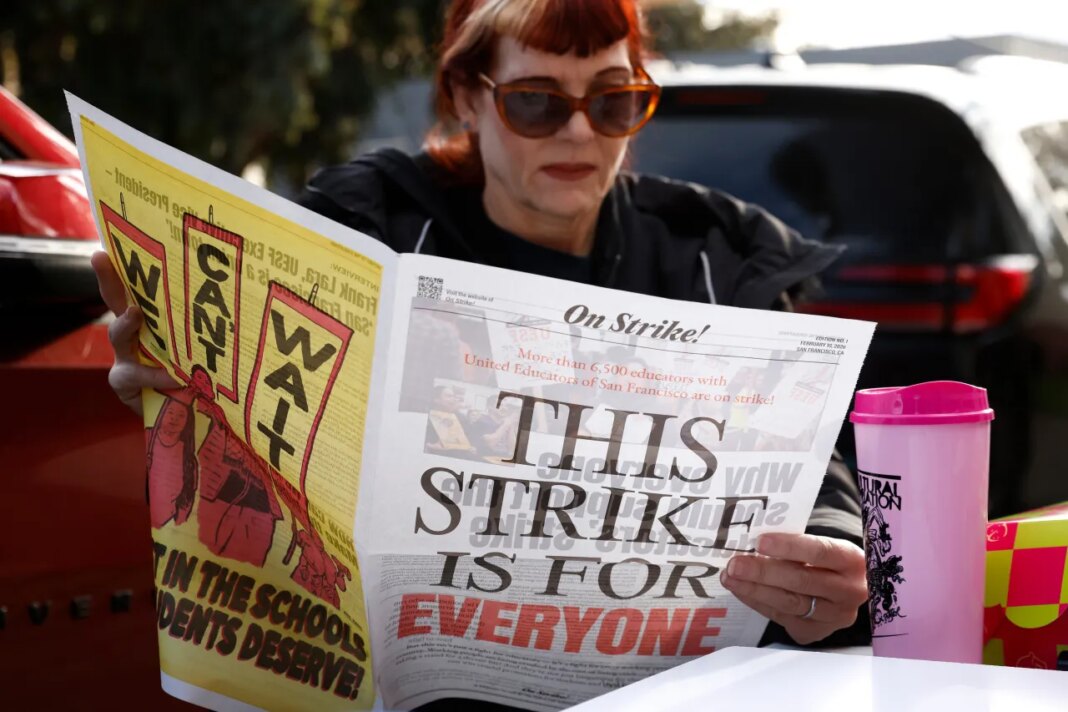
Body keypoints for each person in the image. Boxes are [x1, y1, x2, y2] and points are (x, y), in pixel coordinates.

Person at [92, 0, 869, 701]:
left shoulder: (711, 255)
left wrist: (830, 551)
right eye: (536, 102)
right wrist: (172, 379)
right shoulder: (373, 231)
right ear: (467, 96)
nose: (578, 132)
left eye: (612, 100)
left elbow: (814, 466)